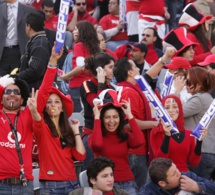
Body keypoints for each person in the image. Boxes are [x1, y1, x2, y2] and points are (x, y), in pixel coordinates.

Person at [27, 44, 86, 194]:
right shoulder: (42, 127)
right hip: (51, 186)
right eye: (49, 102)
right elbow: (45, 89)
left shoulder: (68, 130)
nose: (53, 104)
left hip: (73, 183)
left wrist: (76, 132)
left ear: (62, 107)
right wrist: (53, 61)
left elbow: (80, 155)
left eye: (57, 102)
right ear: (44, 107)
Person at [113, 47, 175, 188]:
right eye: (135, 67)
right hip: (136, 151)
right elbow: (128, 124)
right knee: (140, 188)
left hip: (137, 149)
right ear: (130, 72)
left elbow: (149, 76)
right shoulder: (129, 92)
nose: (138, 69)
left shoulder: (130, 87)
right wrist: (155, 124)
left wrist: (164, 57)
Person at [88, 89, 144, 194]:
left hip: (127, 183)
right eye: (107, 117)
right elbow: (97, 145)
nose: (112, 121)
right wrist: (96, 117)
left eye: (115, 117)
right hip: (105, 185)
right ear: (101, 119)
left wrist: (130, 115)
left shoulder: (124, 135)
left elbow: (140, 141)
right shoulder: (95, 136)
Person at [176, 66, 215, 180]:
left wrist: (177, 91)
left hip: (201, 152)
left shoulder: (200, 98)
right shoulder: (206, 98)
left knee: (196, 187)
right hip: (207, 152)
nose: (186, 84)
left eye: (188, 81)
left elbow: (176, 113)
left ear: (198, 84)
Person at [150, 95, 207, 173]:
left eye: (174, 107)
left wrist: (200, 141)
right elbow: (160, 161)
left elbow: (194, 162)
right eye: (167, 108)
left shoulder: (189, 134)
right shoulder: (157, 132)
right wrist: (167, 136)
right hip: (166, 177)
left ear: (180, 109)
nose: (171, 110)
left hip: (184, 176)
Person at [80, 52, 116, 170]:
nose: (113, 70)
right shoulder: (87, 84)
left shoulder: (111, 87)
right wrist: (100, 84)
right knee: (92, 172)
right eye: (110, 67)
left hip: (108, 134)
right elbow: (99, 106)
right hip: (92, 134)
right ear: (100, 69)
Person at [0, 75, 33, 194]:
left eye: (16, 92)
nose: (12, 94)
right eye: (8, 91)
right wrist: (7, 81)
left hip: (25, 185)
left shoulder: (28, 115)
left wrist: (52, 64)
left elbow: (44, 92)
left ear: (23, 99)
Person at [61, 21, 101, 112]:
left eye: (75, 29)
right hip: (92, 87)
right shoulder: (96, 48)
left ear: (81, 32)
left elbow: (80, 66)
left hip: (78, 88)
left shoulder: (79, 45)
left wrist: (66, 76)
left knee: (76, 120)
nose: (73, 32)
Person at [16, 11, 51, 91]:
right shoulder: (36, 41)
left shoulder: (39, 45)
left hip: (35, 91)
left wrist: (15, 77)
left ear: (29, 26)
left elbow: (34, 71)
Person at [138, 158, 215, 194]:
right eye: (174, 174)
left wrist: (197, 187)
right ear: (162, 183)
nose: (179, 173)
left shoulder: (188, 176)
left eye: (176, 168)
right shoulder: (147, 191)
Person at [0, 0, 35, 76]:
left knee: (16, 79)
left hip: (19, 51)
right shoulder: (1, 8)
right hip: (2, 52)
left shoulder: (28, 10)